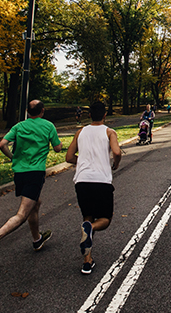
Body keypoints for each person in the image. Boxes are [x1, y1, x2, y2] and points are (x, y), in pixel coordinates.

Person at [0, 100, 62, 269]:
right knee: (22, 213)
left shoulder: (19, 126)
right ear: (42, 111)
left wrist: (12, 157)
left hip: (19, 173)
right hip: (35, 173)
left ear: (27, 111)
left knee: (35, 204)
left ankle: (37, 239)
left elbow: (2, 144)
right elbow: (58, 149)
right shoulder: (48, 126)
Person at [65, 101, 122, 275]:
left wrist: (81, 162)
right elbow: (117, 152)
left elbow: (68, 157)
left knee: (87, 217)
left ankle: (87, 261)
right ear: (105, 115)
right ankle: (92, 229)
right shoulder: (109, 132)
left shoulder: (80, 132)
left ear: (89, 115)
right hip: (101, 181)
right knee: (104, 219)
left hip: (82, 181)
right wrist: (115, 164)